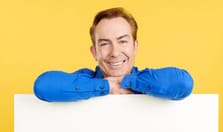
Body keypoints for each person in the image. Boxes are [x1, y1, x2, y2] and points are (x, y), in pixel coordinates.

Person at [33, 7, 194, 102]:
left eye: (122, 41)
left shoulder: (147, 80)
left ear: (135, 47)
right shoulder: (84, 79)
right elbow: (43, 86)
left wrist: (128, 82)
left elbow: (183, 83)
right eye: (104, 43)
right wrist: (108, 86)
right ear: (94, 52)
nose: (115, 52)